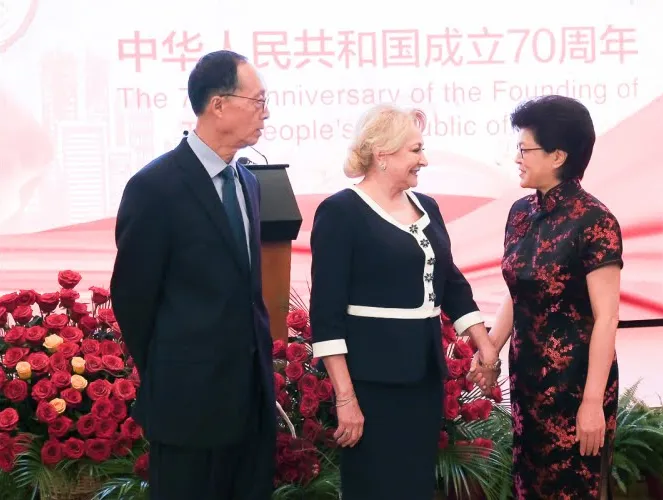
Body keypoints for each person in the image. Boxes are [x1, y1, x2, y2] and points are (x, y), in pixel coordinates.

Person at [309, 104, 501, 500]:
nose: (424, 160)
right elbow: (326, 314)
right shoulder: (340, 212)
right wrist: (345, 398)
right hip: (370, 384)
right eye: (415, 150)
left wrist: (485, 345)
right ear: (383, 154)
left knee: (414, 486)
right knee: (374, 486)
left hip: (424, 379)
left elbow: (450, 281)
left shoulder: (426, 206)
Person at [110, 50, 276, 500]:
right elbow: (132, 298)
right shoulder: (156, 186)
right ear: (219, 105)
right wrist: (172, 372)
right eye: (258, 101)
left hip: (250, 403)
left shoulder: (249, 182)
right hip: (187, 406)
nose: (266, 113)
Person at [471, 95, 623, 499]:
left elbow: (607, 318)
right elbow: (518, 293)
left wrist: (592, 402)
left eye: (525, 149)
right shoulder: (520, 213)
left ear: (557, 155)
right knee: (530, 486)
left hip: (576, 386)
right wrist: (489, 350)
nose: (517, 157)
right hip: (528, 382)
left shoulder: (595, 220)